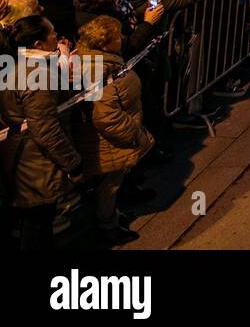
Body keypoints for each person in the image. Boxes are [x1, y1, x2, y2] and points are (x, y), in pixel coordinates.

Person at [0, 15, 83, 250]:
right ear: (37, 44)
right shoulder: (38, 74)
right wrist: (73, 164)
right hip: (35, 163)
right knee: (36, 226)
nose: (57, 37)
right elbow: (45, 129)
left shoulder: (17, 64)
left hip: (22, 156)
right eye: (52, 33)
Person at [71, 15, 154, 246]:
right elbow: (105, 116)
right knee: (108, 185)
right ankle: (108, 228)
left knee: (110, 185)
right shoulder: (97, 68)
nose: (122, 39)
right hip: (107, 141)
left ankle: (112, 217)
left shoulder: (98, 60)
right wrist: (134, 133)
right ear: (104, 43)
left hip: (108, 138)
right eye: (117, 36)